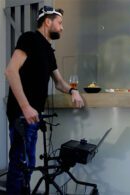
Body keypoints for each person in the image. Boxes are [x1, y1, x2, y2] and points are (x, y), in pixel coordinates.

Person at [5, 6, 84, 194]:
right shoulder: (29, 39)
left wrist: (74, 91)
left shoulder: (49, 50)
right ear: (47, 21)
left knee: (29, 164)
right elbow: (10, 71)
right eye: (59, 23)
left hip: (33, 114)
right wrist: (26, 107)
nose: (62, 27)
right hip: (22, 114)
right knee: (20, 164)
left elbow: (59, 82)